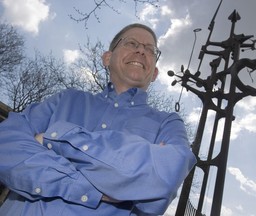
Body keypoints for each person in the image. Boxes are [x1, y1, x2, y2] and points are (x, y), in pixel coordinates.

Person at [0, 23, 196, 216]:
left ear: (154, 73)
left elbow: (165, 175)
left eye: (150, 49)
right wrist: (91, 187)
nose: (141, 51)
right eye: (131, 43)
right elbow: (6, 146)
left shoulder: (168, 123)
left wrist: (54, 139)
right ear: (107, 58)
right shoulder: (66, 99)